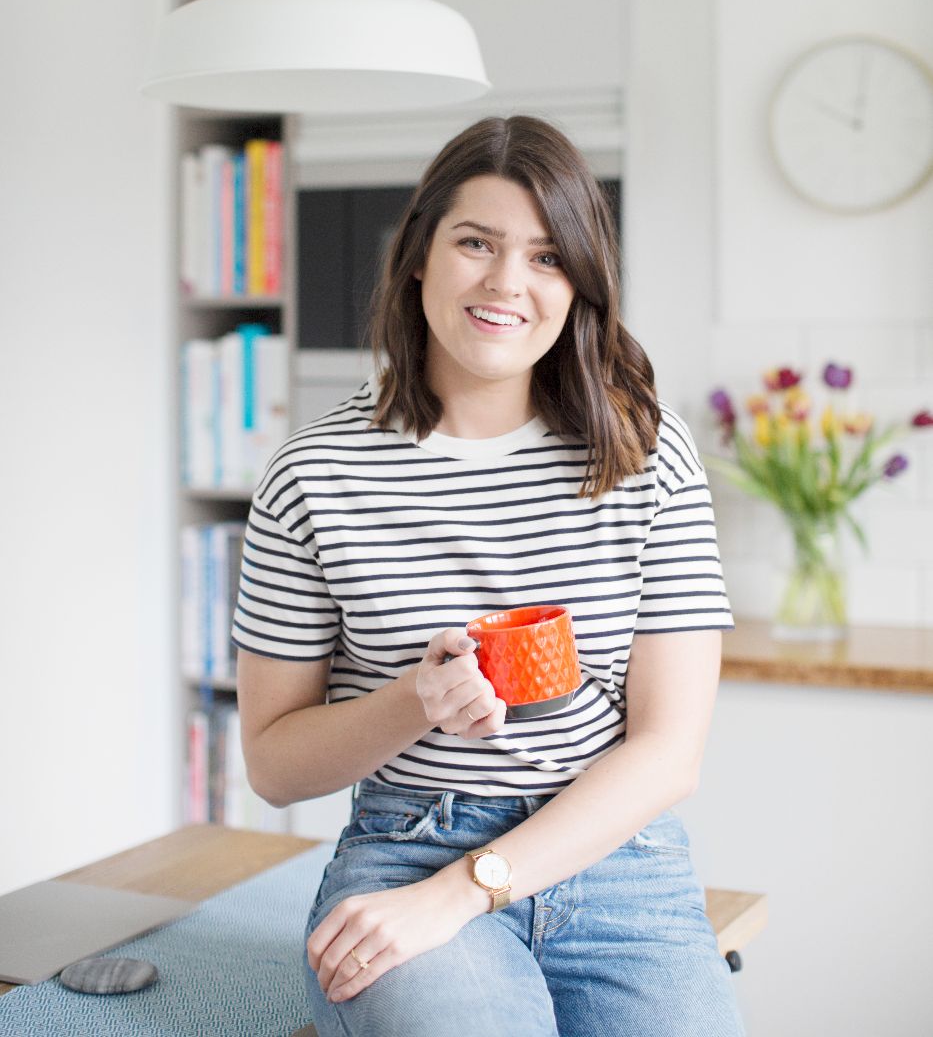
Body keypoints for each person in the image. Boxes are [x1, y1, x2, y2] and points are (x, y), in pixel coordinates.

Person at [232, 115, 744, 1037]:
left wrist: (465, 891)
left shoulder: (646, 451)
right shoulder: (314, 474)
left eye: (547, 257)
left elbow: (669, 753)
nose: (508, 282)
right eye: (477, 243)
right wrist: (415, 703)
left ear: (578, 283)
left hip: (614, 857)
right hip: (405, 848)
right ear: (418, 255)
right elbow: (273, 765)